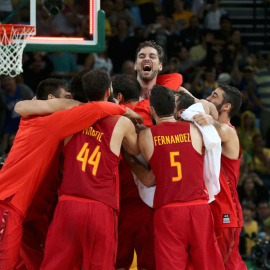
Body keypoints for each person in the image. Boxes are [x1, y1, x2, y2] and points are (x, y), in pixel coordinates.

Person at [0, 78, 140, 269]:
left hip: (28, 207)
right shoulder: (54, 123)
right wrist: (125, 110)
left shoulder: (30, 118)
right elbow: (94, 110)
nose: (70, 103)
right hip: (9, 202)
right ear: (51, 100)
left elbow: (21, 106)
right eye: (66, 98)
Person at [40, 69, 140, 269]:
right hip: (99, 207)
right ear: (108, 91)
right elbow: (136, 150)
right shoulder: (121, 123)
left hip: (68, 204)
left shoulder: (68, 116)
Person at [138, 84, 225, 269]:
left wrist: (130, 159)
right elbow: (204, 106)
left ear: (151, 110)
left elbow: (150, 176)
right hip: (198, 207)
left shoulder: (146, 136)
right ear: (175, 108)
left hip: (169, 211)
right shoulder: (193, 129)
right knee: (208, 264)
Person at [193, 83, 248, 269]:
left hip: (226, 212)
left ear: (226, 106)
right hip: (209, 209)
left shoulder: (228, 131)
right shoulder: (209, 128)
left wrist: (208, 119)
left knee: (223, 266)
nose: (208, 98)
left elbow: (218, 128)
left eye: (214, 96)